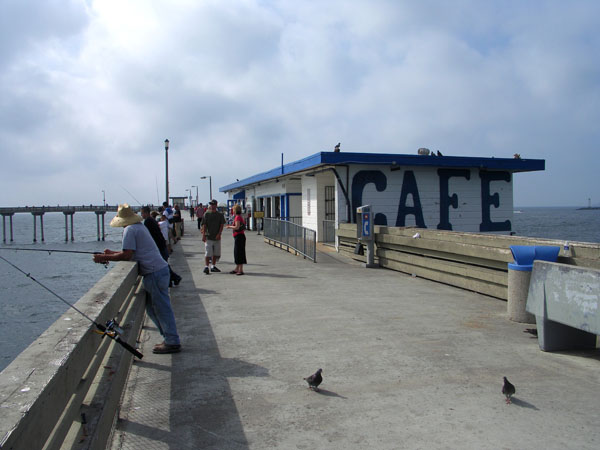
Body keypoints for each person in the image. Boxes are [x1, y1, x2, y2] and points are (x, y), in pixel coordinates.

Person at [93, 204, 181, 354]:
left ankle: (172, 341)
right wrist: (111, 253)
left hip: (154, 273)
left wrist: (104, 257)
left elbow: (127, 255)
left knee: (161, 309)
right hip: (158, 271)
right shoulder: (139, 227)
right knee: (153, 309)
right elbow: (132, 252)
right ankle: (169, 338)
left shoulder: (129, 230)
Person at [141, 206, 181, 287]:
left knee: (164, 265)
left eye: (142, 213)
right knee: (164, 265)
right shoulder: (152, 220)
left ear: (146, 213)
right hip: (162, 245)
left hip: (159, 247)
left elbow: (147, 236)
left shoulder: (148, 221)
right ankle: (172, 280)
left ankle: (175, 278)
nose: (141, 215)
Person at [201, 199, 225, 274]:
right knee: (208, 252)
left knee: (216, 253)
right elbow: (204, 225)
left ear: (216, 205)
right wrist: (204, 235)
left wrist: (219, 234)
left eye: (213, 204)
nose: (212, 206)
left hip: (216, 237)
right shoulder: (206, 214)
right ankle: (206, 266)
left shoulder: (220, 215)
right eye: (211, 204)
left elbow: (221, 225)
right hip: (208, 236)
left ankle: (213, 266)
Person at [226, 204, 247, 275]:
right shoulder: (239, 217)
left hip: (239, 236)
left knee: (239, 253)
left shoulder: (237, 217)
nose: (232, 211)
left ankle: (240, 270)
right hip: (239, 236)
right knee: (237, 252)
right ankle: (237, 268)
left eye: (233, 210)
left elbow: (237, 227)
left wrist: (230, 227)